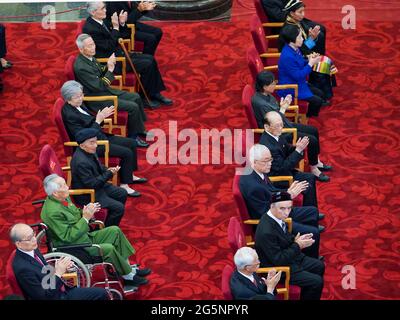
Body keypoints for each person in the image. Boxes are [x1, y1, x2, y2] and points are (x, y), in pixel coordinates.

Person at [40, 174, 151, 286]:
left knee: (115, 231)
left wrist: (87, 211)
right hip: (75, 247)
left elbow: (74, 214)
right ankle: (128, 276)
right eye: (63, 185)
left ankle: (128, 269)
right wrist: (85, 218)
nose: (67, 186)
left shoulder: (62, 197)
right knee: (108, 248)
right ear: (55, 192)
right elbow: (68, 237)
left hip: (83, 236)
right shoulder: (52, 212)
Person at [61, 80, 146, 196]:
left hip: (100, 136)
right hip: (92, 145)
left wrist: (101, 117)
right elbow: (82, 136)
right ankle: (124, 185)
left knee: (131, 143)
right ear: (68, 98)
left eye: (81, 95)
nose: (81, 98)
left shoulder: (78, 105)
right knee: (126, 152)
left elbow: (89, 122)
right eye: (77, 97)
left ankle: (129, 174)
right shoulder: (69, 114)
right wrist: (98, 120)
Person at [239, 144, 322, 258]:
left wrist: (287, 192)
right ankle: (309, 258)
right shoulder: (253, 186)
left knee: (313, 212)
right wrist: (289, 196)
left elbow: (271, 192)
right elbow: (265, 213)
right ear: (254, 161)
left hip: (276, 209)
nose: (270, 163)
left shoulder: (257, 171)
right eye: (266, 161)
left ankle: (304, 247)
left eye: (270, 159)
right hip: (272, 221)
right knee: (314, 233)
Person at [84, 1, 172, 108]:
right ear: (93, 12)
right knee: (147, 64)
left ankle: (154, 93)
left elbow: (123, 35)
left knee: (150, 59)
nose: (106, 11)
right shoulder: (91, 28)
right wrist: (116, 27)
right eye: (102, 9)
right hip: (113, 61)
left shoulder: (101, 22)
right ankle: (145, 98)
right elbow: (109, 46)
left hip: (119, 53)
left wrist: (121, 24)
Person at [73, 33, 149, 147]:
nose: (93, 47)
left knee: (136, 97)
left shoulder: (89, 57)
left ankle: (139, 128)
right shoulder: (81, 67)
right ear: (81, 49)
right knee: (132, 107)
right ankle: (134, 137)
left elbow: (100, 70)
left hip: (104, 91)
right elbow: (99, 85)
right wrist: (111, 70)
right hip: (97, 98)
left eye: (93, 44)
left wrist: (108, 65)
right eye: (89, 46)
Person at [10, 223, 109, 300]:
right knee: (102, 294)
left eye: (33, 234)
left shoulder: (31, 249)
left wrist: (61, 267)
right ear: (18, 244)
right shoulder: (22, 268)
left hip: (58, 288)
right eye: (29, 238)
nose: (35, 239)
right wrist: (58, 273)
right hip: (57, 296)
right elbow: (43, 297)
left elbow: (42, 271)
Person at [255, 191, 325, 300]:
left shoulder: (276, 218)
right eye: (282, 208)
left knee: (319, 265)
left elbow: (283, 239)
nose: (286, 213)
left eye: (289, 208)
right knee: (316, 282)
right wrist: (297, 245)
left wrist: (296, 240)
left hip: (290, 257)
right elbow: (279, 259)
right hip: (279, 269)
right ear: (272, 206)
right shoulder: (266, 231)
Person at [70, 128, 139, 220]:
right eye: (91, 142)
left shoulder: (90, 150)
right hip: (88, 194)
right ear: (82, 145)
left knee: (122, 193)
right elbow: (92, 184)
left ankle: (109, 218)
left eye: (96, 141)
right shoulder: (81, 162)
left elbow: (99, 166)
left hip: (98, 187)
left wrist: (108, 170)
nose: (95, 145)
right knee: (119, 208)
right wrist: (109, 174)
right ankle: (106, 229)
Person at [260, 111, 330, 184]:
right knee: (309, 180)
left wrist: (297, 147)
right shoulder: (269, 146)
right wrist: (298, 151)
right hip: (279, 179)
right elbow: (282, 169)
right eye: (277, 126)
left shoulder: (275, 134)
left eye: (282, 124)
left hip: (285, 169)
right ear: (266, 127)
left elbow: (286, 149)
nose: (281, 128)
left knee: (310, 178)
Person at [277, 24, 327, 117]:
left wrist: (308, 60)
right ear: (292, 40)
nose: (303, 39)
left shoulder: (295, 48)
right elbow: (298, 75)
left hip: (299, 82)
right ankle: (307, 117)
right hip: (292, 86)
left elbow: (300, 59)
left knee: (321, 94)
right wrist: (310, 63)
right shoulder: (288, 56)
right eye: (300, 37)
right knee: (318, 101)